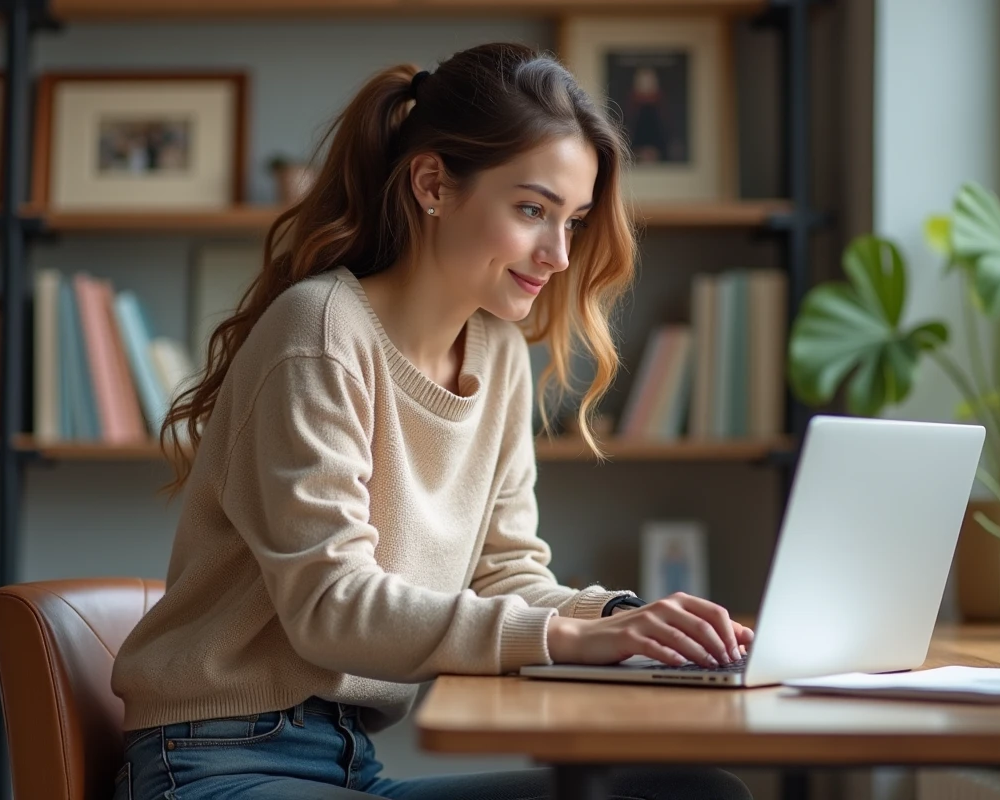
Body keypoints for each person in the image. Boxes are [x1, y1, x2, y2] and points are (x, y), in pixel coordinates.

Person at [110, 42, 755, 800]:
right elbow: (329, 606)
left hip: (351, 765)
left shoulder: (499, 353)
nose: (556, 253)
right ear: (432, 185)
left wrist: (625, 620)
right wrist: (572, 637)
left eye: (573, 221)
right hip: (215, 761)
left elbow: (506, 572)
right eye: (531, 210)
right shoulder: (319, 333)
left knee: (693, 793)